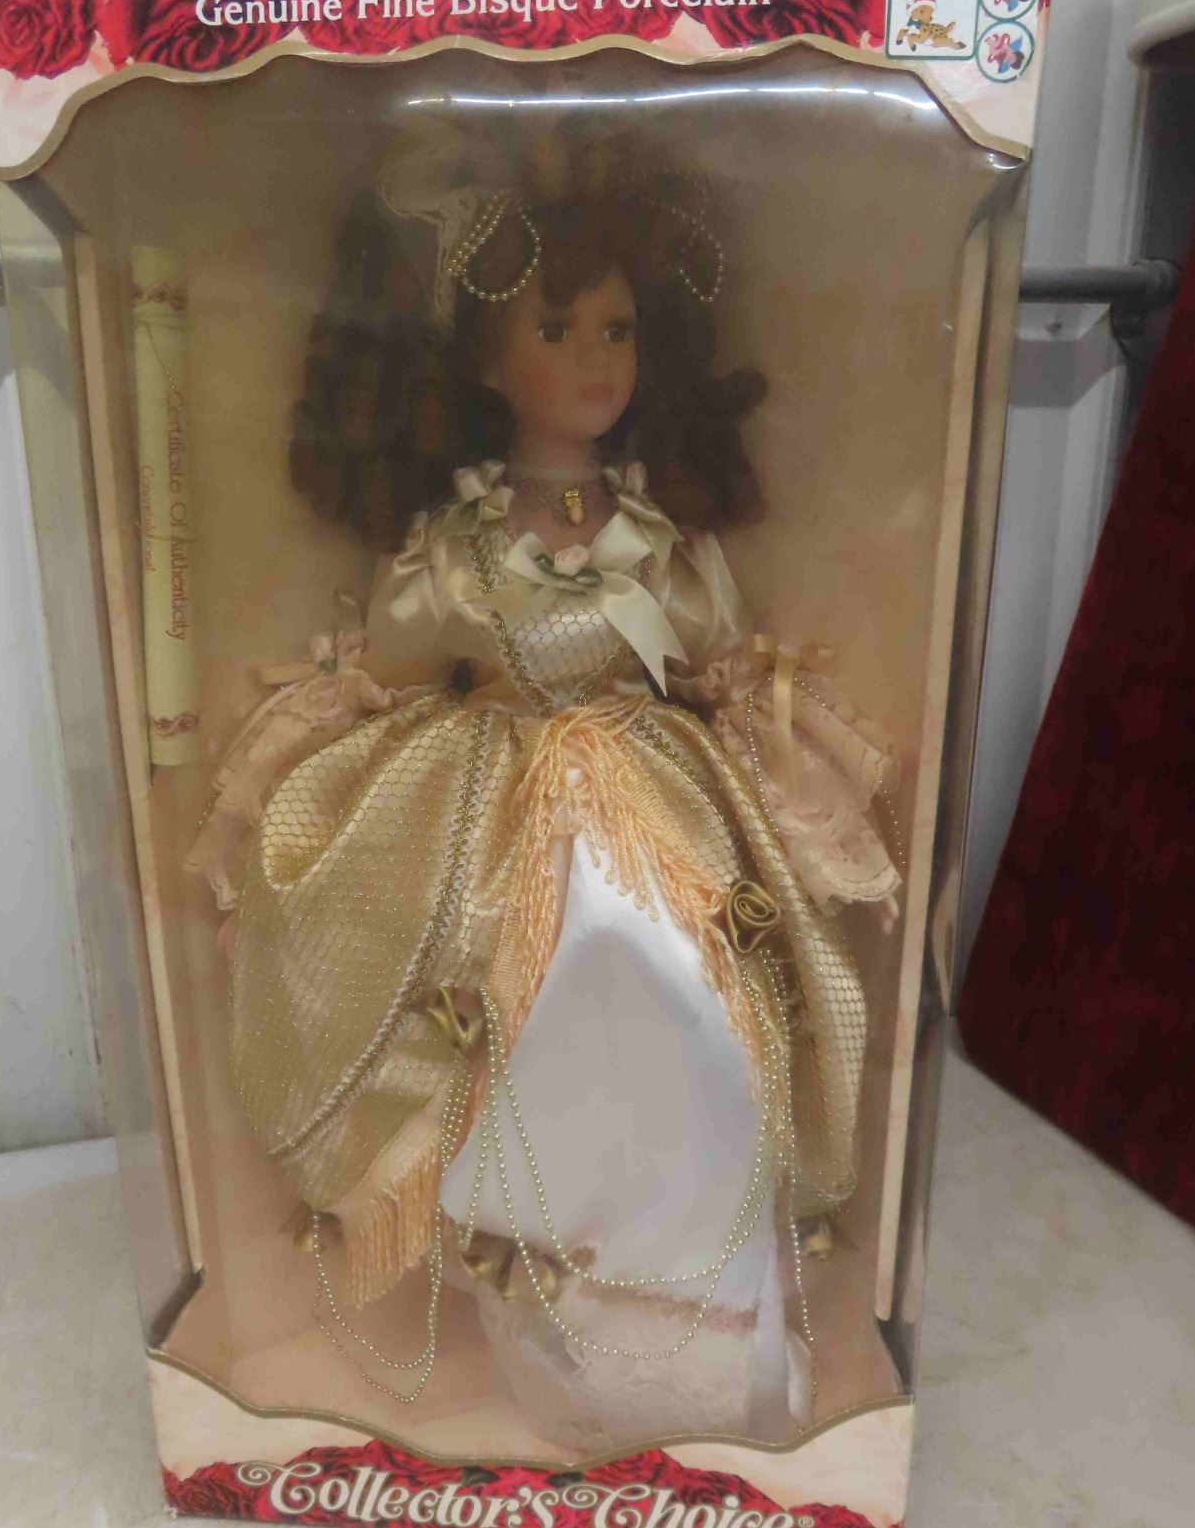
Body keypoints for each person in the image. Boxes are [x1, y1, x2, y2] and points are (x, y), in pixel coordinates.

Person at [188, 131, 900, 1453]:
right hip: (498, 814)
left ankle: (690, 1286)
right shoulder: (454, 552)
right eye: (557, 331)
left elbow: (712, 666)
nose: (595, 361)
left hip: (658, 807)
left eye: (617, 331)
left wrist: (795, 756)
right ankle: (549, 1286)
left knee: (693, 998)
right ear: (480, 361)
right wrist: (287, 773)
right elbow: (390, 673)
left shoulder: (664, 541)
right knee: (527, 1021)